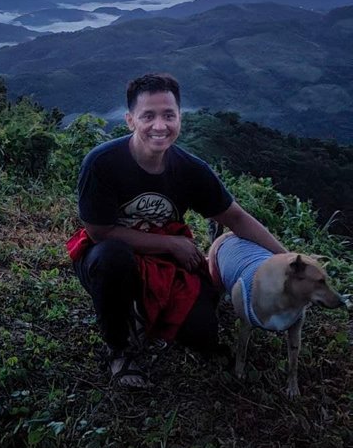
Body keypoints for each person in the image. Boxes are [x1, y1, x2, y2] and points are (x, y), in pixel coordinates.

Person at [67, 72, 286, 388]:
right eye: (148, 116)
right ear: (130, 120)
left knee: (202, 332)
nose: (160, 126)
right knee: (111, 258)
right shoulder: (102, 163)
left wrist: (287, 258)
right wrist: (171, 244)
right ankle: (120, 350)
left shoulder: (190, 169)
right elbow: (100, 232)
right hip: (109, 259)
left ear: (180, 118)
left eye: (169, 115)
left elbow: (236, 218)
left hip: (164, 266)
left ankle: (145, 315)